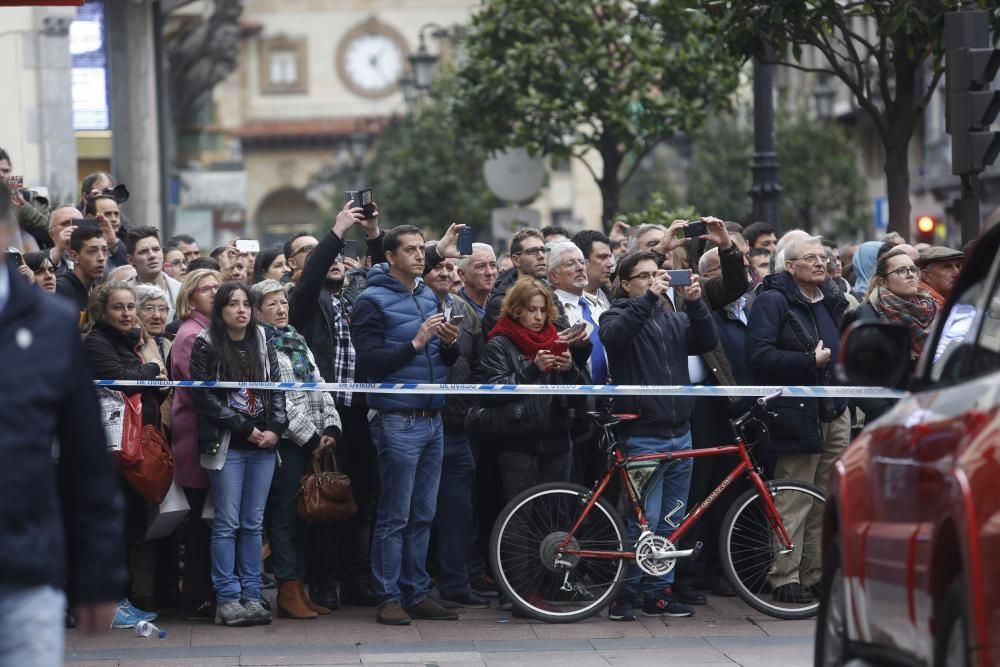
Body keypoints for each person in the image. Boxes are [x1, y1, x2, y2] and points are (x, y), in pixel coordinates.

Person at [350, 224, 461, 626]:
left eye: (422, 248)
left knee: (423, 513)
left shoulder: (428, 294)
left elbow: (444, 360)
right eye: (411, 250)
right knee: (395, 513)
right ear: (391, 257)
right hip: (397, 418)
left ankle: (416, 591)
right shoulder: (370, 301)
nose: (420, 255)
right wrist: (414, 343)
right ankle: (388, 595)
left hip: (433, 417)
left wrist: (448, 343)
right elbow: (368, 365)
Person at [600, 251, 718, 621]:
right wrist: (650, 297)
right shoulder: (616, 314)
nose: (656, 280)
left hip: (679, 431)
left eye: (659, 274)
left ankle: (659, 590)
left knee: (671, 519)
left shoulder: (673, 317)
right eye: (645, 276)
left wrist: (696, 304)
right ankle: (627, 593)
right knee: (643, 520)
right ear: (625, 283)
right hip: (643, 436)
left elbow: (706, 340)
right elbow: (615, 339)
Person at [287, 201, 383, 610]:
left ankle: (356, 579)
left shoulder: (358, 294)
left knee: (360, 500)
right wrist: (339, 229)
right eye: (320, 258)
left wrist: (374, 232)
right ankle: (324, 582)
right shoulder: (305, 300)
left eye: (338, 257)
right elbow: (309, 281)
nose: (335, 262)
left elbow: (381, 273)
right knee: (325, 498)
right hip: (326, 417)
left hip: (360, 412)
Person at [746, 236, 849, 605]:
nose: (820, 263)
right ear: (789, 266)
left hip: (835, 410)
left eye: (823, 256)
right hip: (797, 413)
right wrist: (809, 362)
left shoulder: (832, 299)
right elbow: (758, 357)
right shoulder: (772, 301)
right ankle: (785, 576)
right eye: (810, 258)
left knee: (825, 498)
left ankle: (814, 574)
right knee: (794, 496)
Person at [189, 281, 288, 627]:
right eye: (232, 304)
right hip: (227, 445)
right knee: (227, 523)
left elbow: (277, 389)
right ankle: (228, 598)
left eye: (246, 303)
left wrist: (276, 428)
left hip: (264, 445)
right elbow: (203, 399)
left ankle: (251, 593)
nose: (241, 310)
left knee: (253, 523)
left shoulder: (263, 339)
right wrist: (245, 427)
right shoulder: (205, 343)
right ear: (220, 310)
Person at [251, 280, 342, 620]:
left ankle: (300, 589)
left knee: (306, 517)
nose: (280, 309)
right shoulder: (260, 344)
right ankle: (287, 590)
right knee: (285, 517)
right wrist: (311, 438)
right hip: (287, 445)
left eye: (283, 303)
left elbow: (319, 385)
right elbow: (280, 400)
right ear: (258, 311)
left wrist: (331, 428)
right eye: (272, 304)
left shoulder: (296, 338)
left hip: (314, 439)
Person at [82, 281, 167, 627]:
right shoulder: (96, 341)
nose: (128, 314)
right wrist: (149, 371)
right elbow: (120, 380)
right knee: (112, 528)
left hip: (131, 452)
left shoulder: (129, 341)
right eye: (119, 307)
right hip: (108, 452)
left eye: (131, 307)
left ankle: (121, 598)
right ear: (103, 311)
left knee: (130, 525)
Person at [478, 276, 587, 503]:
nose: (539, 317)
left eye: (543, 310)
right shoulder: (500, 342)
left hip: (557, 438)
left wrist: (568, 370)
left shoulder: (556, 339)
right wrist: (532, 369)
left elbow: (580, 396)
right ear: (517, 310)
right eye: (531, 310)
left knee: (557, 514)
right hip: (518, 441)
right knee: (519, 515)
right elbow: (492, 392)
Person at [422, 249, 490, 610]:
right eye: (438, 266)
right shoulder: (413, 307)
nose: (446, 272)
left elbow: (479, 365)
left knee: (458, 511)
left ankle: (454, 582)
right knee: (417, 511)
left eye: (450, 267)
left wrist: (469, 408)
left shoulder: (464, 313)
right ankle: (415, 585)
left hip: (458, 427)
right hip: (419, 423)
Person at [170, 268, 223, 620]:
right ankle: (196, 597)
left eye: (220, 287)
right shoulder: (192, 334)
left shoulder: (211, 330)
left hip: (208, 433)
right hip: (195, 437)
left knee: (209, 521)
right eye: (208, 289)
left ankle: (203, 593)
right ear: (191, 299)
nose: (216, 293)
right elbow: (203, 390)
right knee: (200, 525)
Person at [483, 228, 550, 333]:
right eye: (533, 251)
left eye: (543, 250)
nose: (541, 256)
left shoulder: (550, 293)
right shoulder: (500, 303)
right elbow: (501, 345)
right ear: (516, 260)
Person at [55, 225, 109, 328]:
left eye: (104, 250)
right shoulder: (61, 289)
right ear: (75, 256)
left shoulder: (99, 291)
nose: (101, 258)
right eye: (92, 251)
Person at [125, 227, 182, 321]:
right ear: (131, 260)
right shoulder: (122, 293)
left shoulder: (182, 291)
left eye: (156, 249)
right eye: (143, 252)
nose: (152, 255)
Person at [454, 243, 498, 319]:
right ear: (462, 275)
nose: (490, 272)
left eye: (493, 265)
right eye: (481, 266)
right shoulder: (452, 310)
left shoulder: (502, 307)